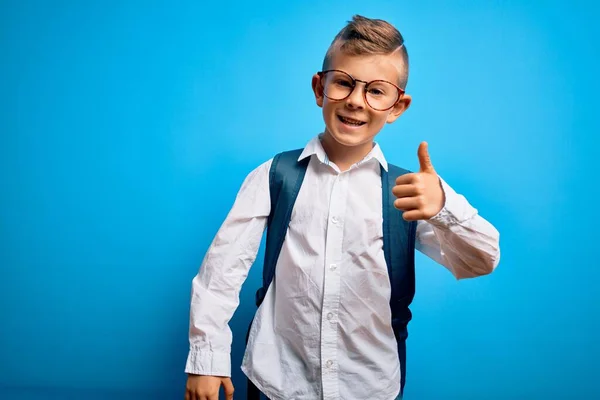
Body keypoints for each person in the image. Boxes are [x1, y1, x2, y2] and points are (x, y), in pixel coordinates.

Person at [183, 14, 500, 400]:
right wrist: (206, 358)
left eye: (376, 91)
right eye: (344, 83)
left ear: (398, 106)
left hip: (371, 387)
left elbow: (482, 260)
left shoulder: (411, 191)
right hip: (277, 382)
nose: (355, 100)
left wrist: (444, 207)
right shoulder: (274, 175)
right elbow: (221, 272)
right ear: (320, 88)